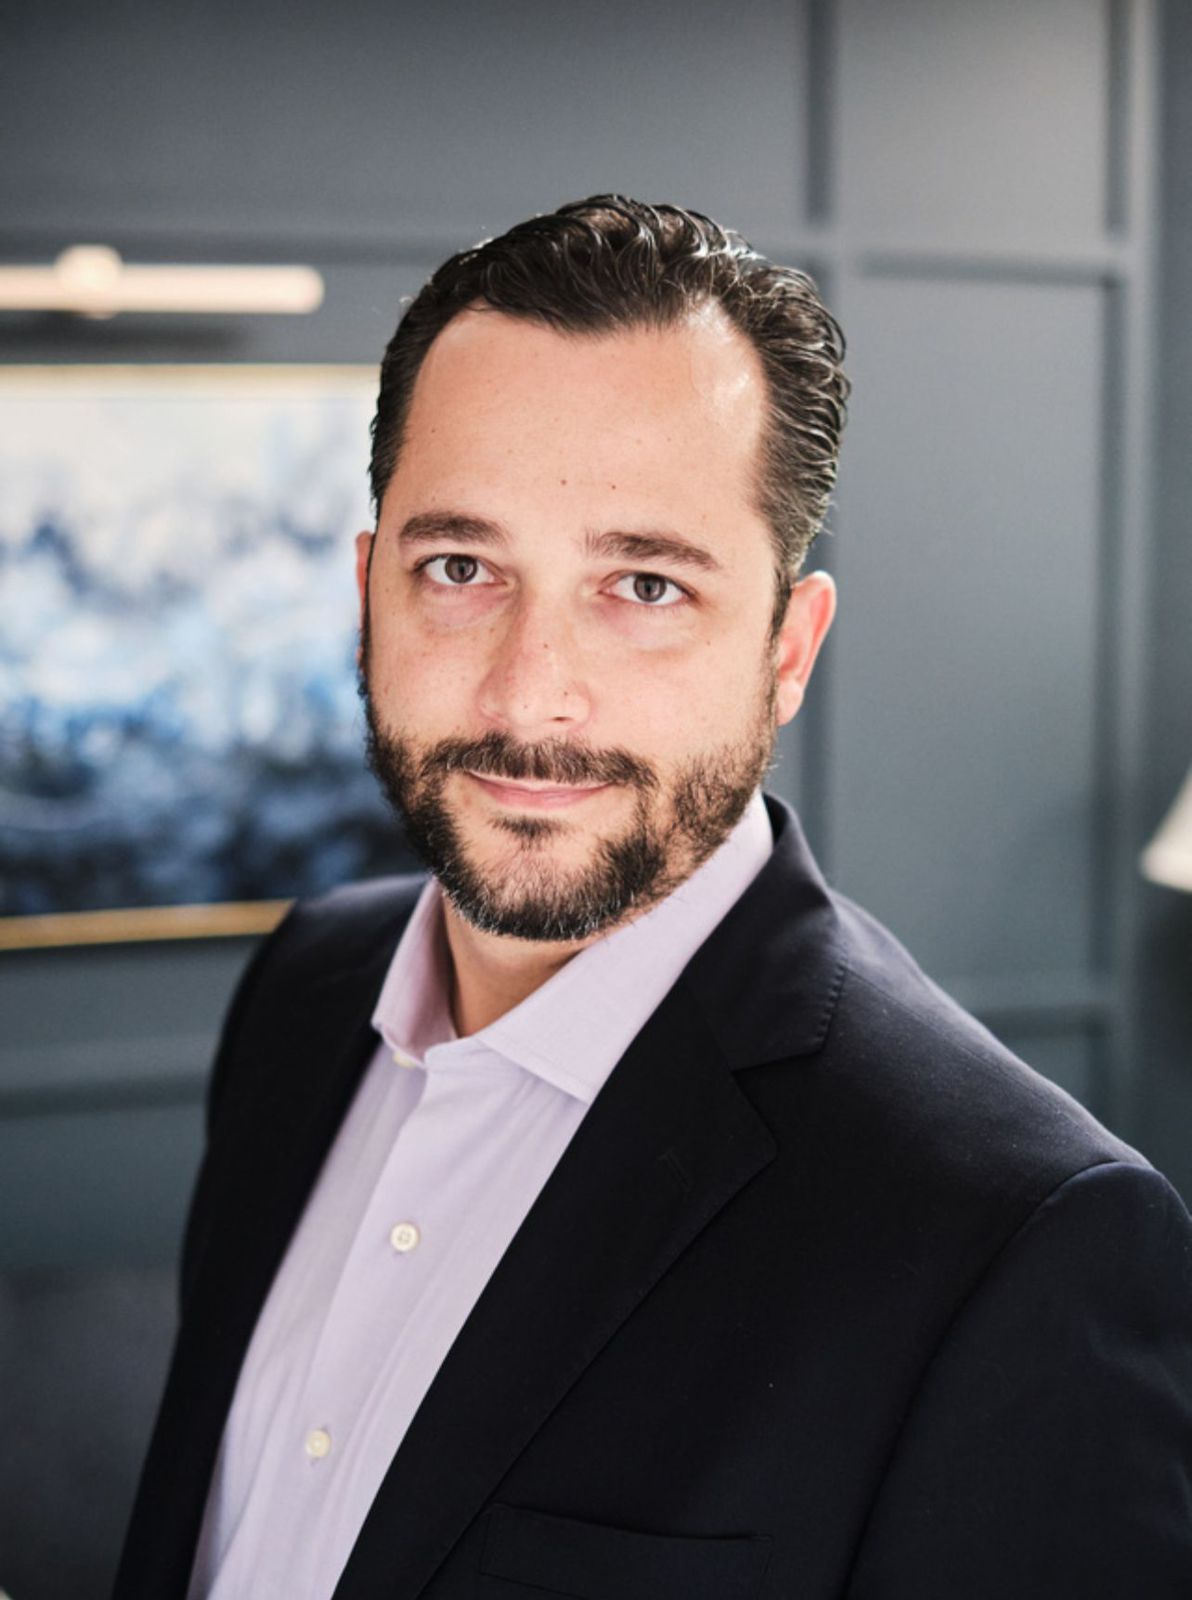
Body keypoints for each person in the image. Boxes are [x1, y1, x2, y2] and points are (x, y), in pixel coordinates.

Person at [114, 196, 1192, 1600]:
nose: (528, 696)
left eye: (643, 584)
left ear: (786, 651)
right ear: (369, 590)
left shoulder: (1017, 1237)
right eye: (460, 568)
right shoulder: (305, 991)